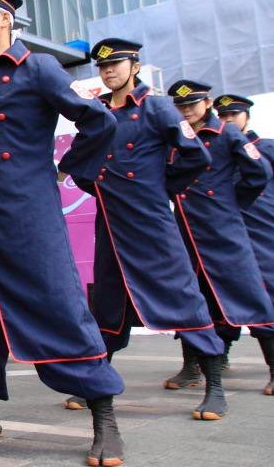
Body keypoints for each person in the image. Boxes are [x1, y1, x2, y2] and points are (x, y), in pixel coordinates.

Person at [0, 0, 125, 467]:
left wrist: (70, 171)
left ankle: (103, 417)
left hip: (29, 219)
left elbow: (99, 121)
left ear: (3, 16)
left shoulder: (38, 67)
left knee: (61, 310)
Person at [59, 39, 225, 420]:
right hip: (111, 224)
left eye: (115, 64)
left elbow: (195, 155)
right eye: (102, 67)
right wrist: (96, 186)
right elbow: (78, 161)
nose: (108, 71)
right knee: (108, 308)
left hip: (150, 224)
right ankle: (97, 383)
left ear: (134, 66)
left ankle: (214, 385)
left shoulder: (157, 107)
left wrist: (160, 187)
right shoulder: (97, 112)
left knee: (181, 297)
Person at [165, 81, 273, 417]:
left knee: (252, 299)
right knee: (196, 306)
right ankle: (203, 377)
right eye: (181, 106)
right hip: (188, 235)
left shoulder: (225, 133)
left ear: (206, 103)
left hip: (225, 234)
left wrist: (231, 204)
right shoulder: (175, 137)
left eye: (193, 104)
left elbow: (258, 172)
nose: (187, 111)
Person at [212, 94, 274, 395]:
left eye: (232, 115)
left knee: (265, 291)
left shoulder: (265, 148)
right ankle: (219, 354)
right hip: (227, 231)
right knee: (222, 292)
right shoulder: (215, 149)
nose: (227, 121)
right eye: (222, 116)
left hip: (264, 229)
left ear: (246, 116)